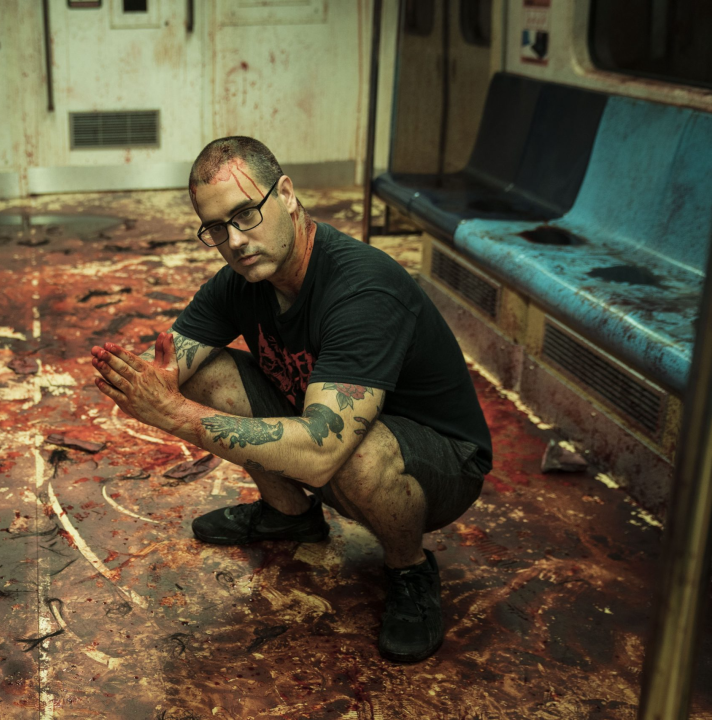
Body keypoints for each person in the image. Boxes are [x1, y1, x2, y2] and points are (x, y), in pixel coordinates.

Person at [89, 136, 492, 663]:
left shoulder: (362, 288)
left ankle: (409, 567)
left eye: (245, 215)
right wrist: (140, 380)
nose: (235, 241)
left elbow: (322, 452)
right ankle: (290, 514)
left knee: (355, 453)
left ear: (286, 194)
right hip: (336, 436)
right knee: (206, 374)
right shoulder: (241, 282)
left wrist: (175, 414)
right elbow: (164, 370)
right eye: (216, 228)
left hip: (439, 465)